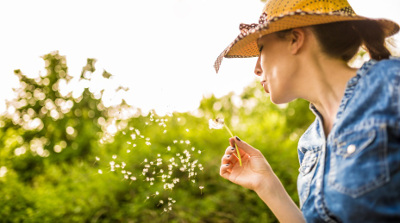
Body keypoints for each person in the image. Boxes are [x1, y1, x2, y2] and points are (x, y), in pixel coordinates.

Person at [214, 0, 400, 222]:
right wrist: (265, 184)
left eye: (262, 48)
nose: (256, 68)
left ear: (295, 39)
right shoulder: (309, 144)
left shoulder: (391, 83)